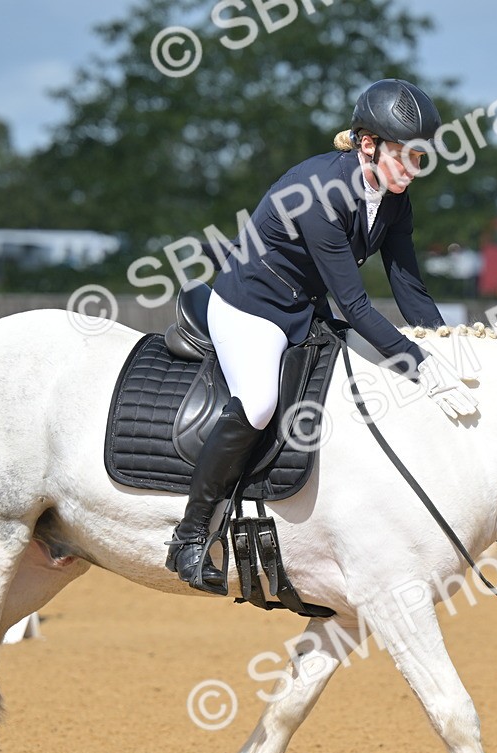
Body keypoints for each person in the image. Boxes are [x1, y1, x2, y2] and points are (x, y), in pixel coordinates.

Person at [166, 78, 479, 593]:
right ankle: (190, 534)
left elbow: (408, 285)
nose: (414, 169)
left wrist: (448, 345)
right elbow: (355, 305)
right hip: (251, 304)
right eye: (405, 156)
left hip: (304, 306)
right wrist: (417, 361)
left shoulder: (395, 199)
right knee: (259, 404)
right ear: (367, 144)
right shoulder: (320, 193)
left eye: (421, 157)